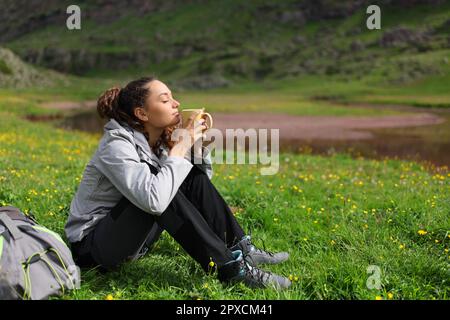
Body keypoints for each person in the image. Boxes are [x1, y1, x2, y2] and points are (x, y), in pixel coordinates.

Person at [64, 76, 291, 290]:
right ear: (142, 113)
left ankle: (241, 247)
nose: (176, 103)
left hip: (135, 241)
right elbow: (155, 200)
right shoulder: (116, 146)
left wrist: (193, 144)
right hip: (94, 249)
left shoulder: (158, 143)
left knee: (182, 175)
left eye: (173, 97)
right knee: (159, 182)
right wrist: (179, 150)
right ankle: (230, 269)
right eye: (165, 99)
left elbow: (198, 184)